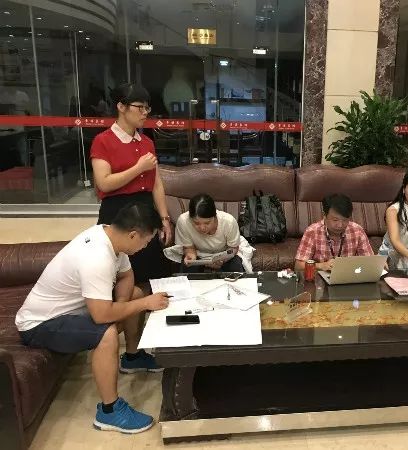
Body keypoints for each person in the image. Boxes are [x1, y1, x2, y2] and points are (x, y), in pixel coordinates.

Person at [15, 203, 170, 433]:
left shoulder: (111, 237)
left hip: (71, 313)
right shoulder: (96, 255)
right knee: (106, 334)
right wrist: (144, 304)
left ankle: (132, 357)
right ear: (133, 235)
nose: (145, 247)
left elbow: (126, 276)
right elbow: (101, 315)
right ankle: (109, 411)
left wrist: (124, 304)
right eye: (146, 241)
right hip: (40, 324)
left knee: (135, 294)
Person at [90, 82, 172, 284]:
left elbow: (156, 184)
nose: (145, 113)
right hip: (117, 212)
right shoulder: (103, 140)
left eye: (147, 108)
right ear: (121, 106)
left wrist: (164, 218)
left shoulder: (147, 142)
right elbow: (104, 183)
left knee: (153, 275)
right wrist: (138, 168)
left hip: (145, 210)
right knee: (117, 275)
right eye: (140, 107)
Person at [295, 193, 374, 271]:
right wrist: (320, 266)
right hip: (321, 276)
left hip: (349, 275)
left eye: (345, 220)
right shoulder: (313, 231)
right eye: (335, 220)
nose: (340, 225)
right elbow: (298, 266)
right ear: (325, 215)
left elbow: (370, 260)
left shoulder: (357, 230)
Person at [175, 193, 245, 272]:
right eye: (196, 223)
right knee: (188, 269)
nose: (202, 228)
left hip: (223, 254)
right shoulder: (183, 221)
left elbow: (233, 248)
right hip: (198, 254)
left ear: (215, 216)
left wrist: (222, 259)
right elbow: (189, 247)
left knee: (235, 267)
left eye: (207, 223)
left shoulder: (228, 222)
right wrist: (190, 255)